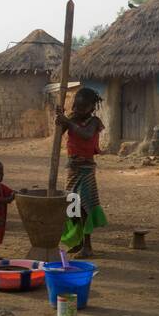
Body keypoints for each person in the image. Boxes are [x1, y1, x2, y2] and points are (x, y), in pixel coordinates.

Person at [56, 89, 107, 256]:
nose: (79, 110)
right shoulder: (72, 119)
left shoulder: (94, 122)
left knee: (85, 206)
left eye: (84, 107)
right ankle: (77, 242)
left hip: (85, 170)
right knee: (72, 207)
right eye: (77, 106)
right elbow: (60, 133)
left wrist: (69, 123)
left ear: (92, 107)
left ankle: (88, 246)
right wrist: (61, 120)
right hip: (72, 168)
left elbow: (86, 135)